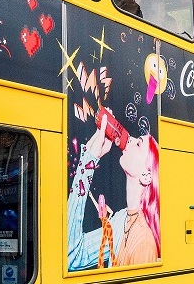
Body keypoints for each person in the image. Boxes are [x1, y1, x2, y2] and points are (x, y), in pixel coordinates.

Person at [68, 112, 160, 270]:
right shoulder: (121, 220)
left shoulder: (143, 243)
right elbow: (74, 256)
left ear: (146, 176)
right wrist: (89, 158)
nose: (129, 139)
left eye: (138, 143)